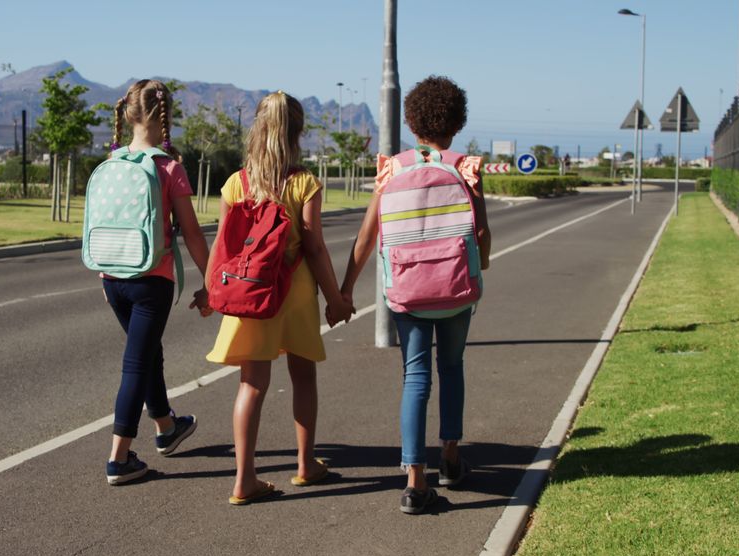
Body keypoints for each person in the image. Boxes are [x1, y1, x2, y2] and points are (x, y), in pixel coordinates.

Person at [339, 76, 491, 514]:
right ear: (456, 123)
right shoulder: (465, 167)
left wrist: (346, 288)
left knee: (415, 377)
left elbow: (369, 234)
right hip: (456, 289)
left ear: (411, 120)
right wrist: (480, 261)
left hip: (406, 290)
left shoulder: (392, 168)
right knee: (453, 368)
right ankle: (450, 458)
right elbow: (479, 232)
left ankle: (413, 481)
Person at [205, 91, 355, 505]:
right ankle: (306, 465)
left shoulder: (236, 183)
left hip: (249, 293)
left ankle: (244, 480)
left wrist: (209, 290)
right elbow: (315, 248)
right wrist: (337, 299)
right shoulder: (303, 182)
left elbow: (222, 247)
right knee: (303, 377)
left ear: (258, 128)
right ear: (297, 133)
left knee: (251, 384)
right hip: (294, 292)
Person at [99, 80, 213, 485]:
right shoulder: (168, 167)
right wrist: (211, 282)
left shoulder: (113, 160)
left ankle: (167, 427)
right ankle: (119, 458)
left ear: (128, 114)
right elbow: (193, 234)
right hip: (152, 280)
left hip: (112, 277)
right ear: (167, 116)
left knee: (146, 353)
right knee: (136, 363)